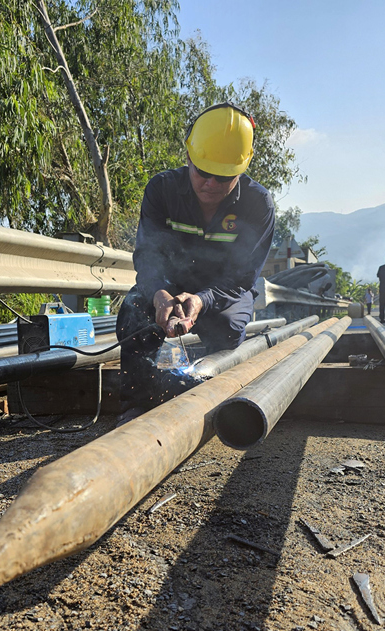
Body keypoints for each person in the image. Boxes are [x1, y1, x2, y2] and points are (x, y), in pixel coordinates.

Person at [115, 102, 276, 424]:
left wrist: (202, 300)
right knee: (134, 313)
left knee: (228, 327)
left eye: (224, 176)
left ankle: (208, 392)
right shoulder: (162, 190)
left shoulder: (258, 204)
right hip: (171, 284)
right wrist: (159, 294)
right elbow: (147, 257)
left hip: (223, 290)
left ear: (241, 170)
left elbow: (243, 276)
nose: (211, 184)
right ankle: (138, 401)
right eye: (203, 172)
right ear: (189, 157)